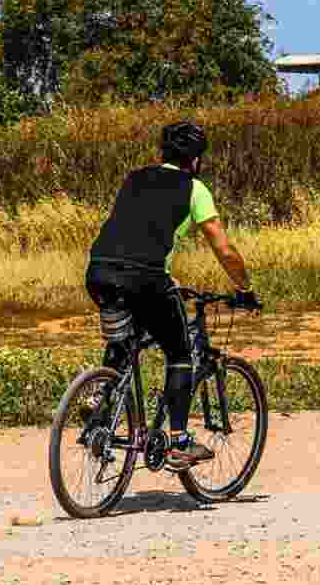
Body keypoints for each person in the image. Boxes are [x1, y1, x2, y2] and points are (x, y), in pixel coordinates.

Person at [84, 119, 259, 469]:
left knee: (125, 337)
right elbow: (224, 250)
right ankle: (179, 441)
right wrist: (245, 288)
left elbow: (136, 231)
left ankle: (101, 397)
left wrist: (165, 275)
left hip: (100, 271)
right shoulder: (194, 189)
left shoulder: (134, 178)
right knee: (179, 352)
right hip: (146, 278)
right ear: (196, 158)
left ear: (163, 152)